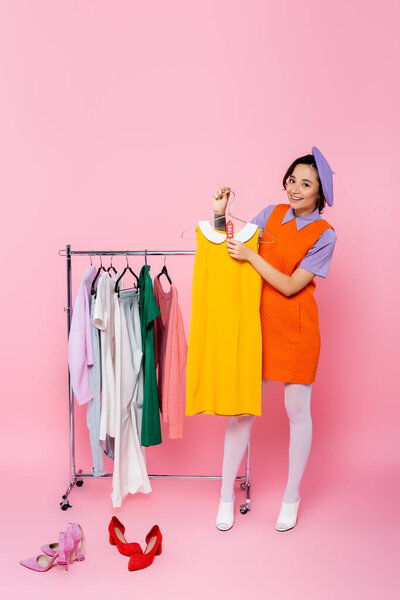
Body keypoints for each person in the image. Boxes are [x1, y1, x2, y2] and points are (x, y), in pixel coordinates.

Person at [212, 147, 337, 531]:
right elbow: (230, 249)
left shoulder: (325, 235)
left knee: (297, 412)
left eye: (306, 184)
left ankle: (291, 496)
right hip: (258, 327)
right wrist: (220, 214)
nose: (295, 189)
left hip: (298, 331)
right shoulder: (269, 214)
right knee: (242, 412)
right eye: (292, 180)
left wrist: (252, 257)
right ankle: (225, 496)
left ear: (320, 195)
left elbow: (287, 285)